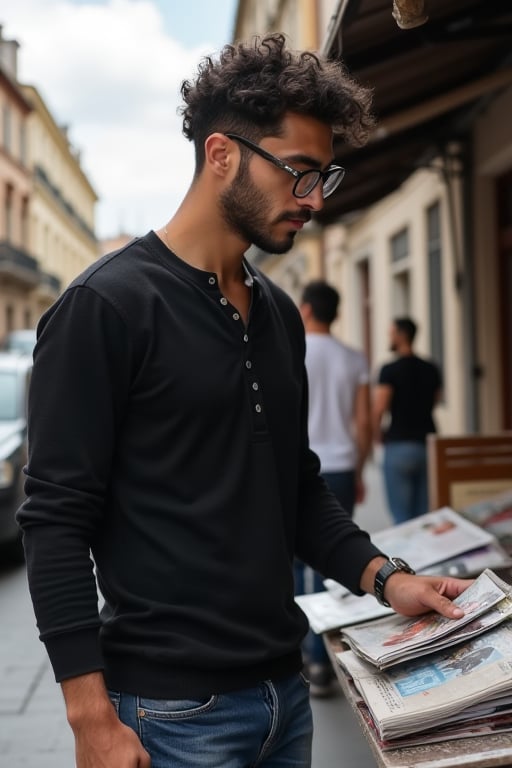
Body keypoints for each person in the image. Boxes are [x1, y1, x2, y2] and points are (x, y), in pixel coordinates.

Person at [17, 34, 470, 768]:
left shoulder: (278, 312)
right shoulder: (105, 306)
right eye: (299, 173)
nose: (315, 200)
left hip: (284, 698)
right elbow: (55, 518)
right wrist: (88, 717)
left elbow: (296, 490)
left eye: (325, 177)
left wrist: (391, 579)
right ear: (221, 154)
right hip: (167, 714)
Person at [295, 279, 371, 696]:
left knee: (290, 564)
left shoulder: (291, 349)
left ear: (305, 309)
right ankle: (325, 663)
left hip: (296, 467)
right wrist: (359, 470)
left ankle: (300, 658)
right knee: (335, 562)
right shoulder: (353, 358)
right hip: (340, 466)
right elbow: (363, 423)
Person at [373, 317, 443, 524]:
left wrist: (378, 436)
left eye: (392, 333)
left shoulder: (389, 370)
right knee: (424, 516)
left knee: (401, 517)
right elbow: (437, 398)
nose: (390, 337)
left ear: (402, 335)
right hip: (427, 444)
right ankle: (424, 557)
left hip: (399, 444)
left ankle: (406, 558)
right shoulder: (431, 368)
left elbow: (379, 407)